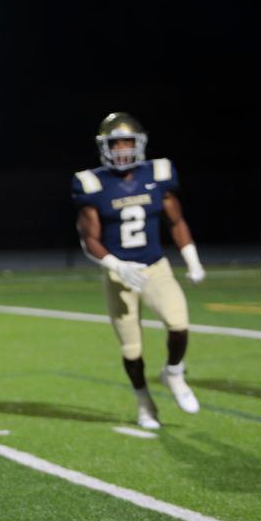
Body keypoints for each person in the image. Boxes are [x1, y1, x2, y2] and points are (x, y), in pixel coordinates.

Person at [73, 112, 206, 430]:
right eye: (115, 144)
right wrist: (116, 265)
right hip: (119, 273)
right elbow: (89, 238)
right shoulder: (91, 182)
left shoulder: (158, 172)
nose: (121, 150)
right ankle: (144, 402)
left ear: (139, 144)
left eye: (127, 142)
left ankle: (173, 372)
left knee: (179, 324)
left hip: (155, 266)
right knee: (131, 348)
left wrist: (193, 261)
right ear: (105, 147)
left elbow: (177, 221)